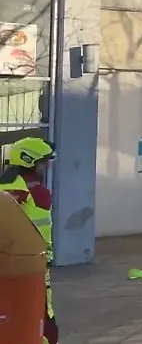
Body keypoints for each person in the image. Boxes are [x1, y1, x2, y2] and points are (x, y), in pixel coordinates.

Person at [0, 138, 57, 344]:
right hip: (29, 268)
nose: (46, 167)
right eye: (43, 162)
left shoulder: (6, 188)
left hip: (13, 268)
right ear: (30, 162)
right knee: (43, 327)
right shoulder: (34, 193)